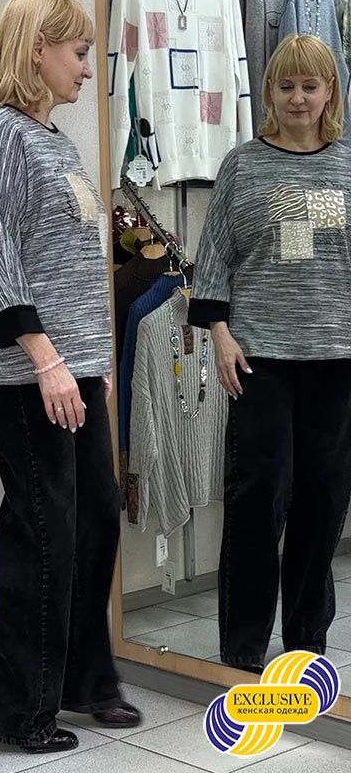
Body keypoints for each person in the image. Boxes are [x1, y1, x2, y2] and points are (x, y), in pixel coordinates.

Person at [0, 0, 140, 754]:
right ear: (39, 49)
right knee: (45, 535)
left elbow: (69, 264)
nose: (87, 69)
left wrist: (90, 361)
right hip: (20, 372)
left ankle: (83, 681)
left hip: (70, 367)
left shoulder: (55, 141)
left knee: (95, 521)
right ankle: (15, 710)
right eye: (78, 53)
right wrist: (48, 360)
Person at [188, 34, 351, 675]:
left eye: (310, 86)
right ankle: (243, 650)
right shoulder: (243, 166)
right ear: (269, 93)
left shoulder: (348, 165)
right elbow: (214, 255)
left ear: (330, 92)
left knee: (323, 500)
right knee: (258, 499)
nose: (297, 98)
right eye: (286, 86)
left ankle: (307, 641)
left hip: (337, 359)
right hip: (259, 359)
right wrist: (219, 332)